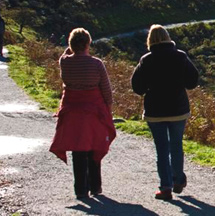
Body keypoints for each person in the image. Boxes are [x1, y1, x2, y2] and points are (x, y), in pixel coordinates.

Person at [131, 25, 199, 201]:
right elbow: (193, 81)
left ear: (150, 41)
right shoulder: (180, 56)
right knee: (176, 145)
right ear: (168, 37)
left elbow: (137, 87)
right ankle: (178, 179)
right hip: (178, 109)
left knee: (161, 149)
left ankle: (166, 187)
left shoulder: (146, 60)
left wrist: (149, 88)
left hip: (155, 111)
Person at [49, 28, 116, 199]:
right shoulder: (96, 64)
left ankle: (80, 189)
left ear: (71, 45)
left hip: (72, 111)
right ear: (88, 44)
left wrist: (71, 48)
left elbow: (65, 55)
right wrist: (108, 110)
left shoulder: (65, 62)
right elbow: (107, 91)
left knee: (78, 150)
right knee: (94, 147)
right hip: (93, 111)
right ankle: (95, 187)